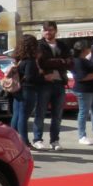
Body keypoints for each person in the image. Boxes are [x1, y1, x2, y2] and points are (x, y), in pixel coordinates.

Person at [32, 21, 72, 152]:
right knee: (40, 112)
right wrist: (60, 61)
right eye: (45, 30)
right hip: (44, 83)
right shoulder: (39, 45)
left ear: (55, 30)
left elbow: (70, 62)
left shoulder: (62, 45)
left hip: (60, 83)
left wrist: (57, 62)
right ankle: (37, 140)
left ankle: (55, 140)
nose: (48, 32)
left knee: (57, 115)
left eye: (50, 30)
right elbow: (41, 62)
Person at [11, 34, 43, 148]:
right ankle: (24, 142)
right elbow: (30, 78)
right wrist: (40, 73)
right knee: (23, 117)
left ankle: (12, 139)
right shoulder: (30, 61)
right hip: (28, 90)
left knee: (17, 116)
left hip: (17, 90)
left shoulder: (19, 60)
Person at [72, 40, 93, 145]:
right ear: (84, 50)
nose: (90, 50)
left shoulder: (84, 60)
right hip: (84, 90)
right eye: (88, 48)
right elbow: (82, 77)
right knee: (84, 113)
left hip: (92, 89)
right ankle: (82, 136)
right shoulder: (78, 61)